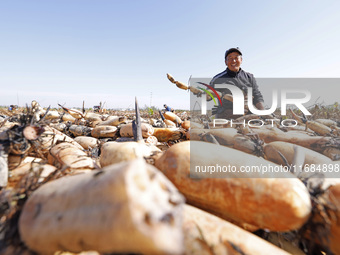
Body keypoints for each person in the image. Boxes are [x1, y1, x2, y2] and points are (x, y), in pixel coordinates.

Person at [209, 47, 265, 119]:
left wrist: (262, 113)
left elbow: (257, 96)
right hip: (226, 118)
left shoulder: (249, 77)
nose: (233, 61)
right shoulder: (217, 79)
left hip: (249, 116)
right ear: (226, 62)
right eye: (230, 58)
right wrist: (205, 94)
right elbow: (208, 95)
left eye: (236, 57)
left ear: (241, 60)